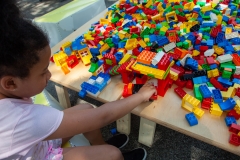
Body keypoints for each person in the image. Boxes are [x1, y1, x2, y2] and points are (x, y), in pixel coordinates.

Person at [0, 0, 156, 159]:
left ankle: (100, 146)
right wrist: (141, 96)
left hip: (34, 144)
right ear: (11, 83)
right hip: (38, 155)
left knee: (86, 109)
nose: (50, 75)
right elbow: (103, 116)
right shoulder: (23, 120)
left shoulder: (9, 98)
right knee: (112, 154)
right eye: (43, 72)